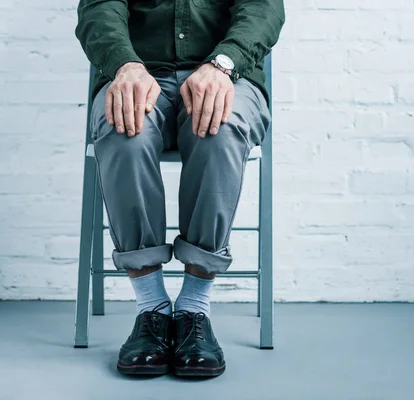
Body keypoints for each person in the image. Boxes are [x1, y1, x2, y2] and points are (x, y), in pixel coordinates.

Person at [75, 0, 284, 378]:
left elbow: (263, 9)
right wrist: (125, 65)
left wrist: (223, 64)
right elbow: (99, 8)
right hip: (137, 75)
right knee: (125, 134)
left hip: (226, 77)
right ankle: (151, 309)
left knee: (219, 133)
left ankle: (193, 308)